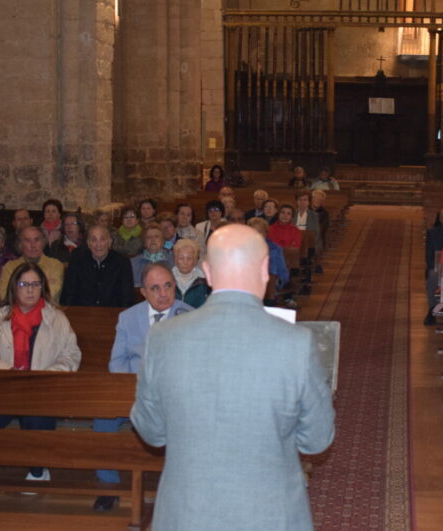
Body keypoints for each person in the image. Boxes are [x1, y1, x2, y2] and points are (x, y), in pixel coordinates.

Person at [131, 224, 335, 531]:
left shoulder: (163, 337)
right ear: (265, 269)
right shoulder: (296, 343)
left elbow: (152, 432)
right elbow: (317, 439)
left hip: (186, 515)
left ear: (207, 272)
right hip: (269, 517)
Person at [0, 263, 81, 483]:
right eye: (23, 284)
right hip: (5, 385)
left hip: (42, 388)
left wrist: (46, 375)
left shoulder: (57, 319)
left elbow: (71, 355)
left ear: (42, 287)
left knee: (36, 413)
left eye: (35, 284)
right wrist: (8, 373)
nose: (30, 290)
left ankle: (38, 471)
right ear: (14, 287)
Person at [92, 262, 194, 510]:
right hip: (133, 392)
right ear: (144, 292)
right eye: (155, 288)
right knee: (103, 418)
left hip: (174, 396)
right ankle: (108, 486)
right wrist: (130, 389)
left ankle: (182, 487)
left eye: (168, 286)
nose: (163, 294)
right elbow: (117, 361)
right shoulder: (128, 318)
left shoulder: (190, 316)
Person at [62, 225, 134, 308]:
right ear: (88, 243)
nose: (98, 244)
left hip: (112, 313)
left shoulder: (122, 262)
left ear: (110, 242)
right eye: (94, 240)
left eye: (102, 239)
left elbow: (127, 297)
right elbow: (68, 294)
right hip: (83, 312)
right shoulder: (77, 261)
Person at [0, 226, 65, 304]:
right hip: (17, 311)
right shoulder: (10, 267)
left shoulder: (55, 265)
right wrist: (42, 284)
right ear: (20, 244)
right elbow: (5, 296)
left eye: (37, 240)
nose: (33, 245)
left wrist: (20, 288)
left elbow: (51, 293)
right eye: (27, 240)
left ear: (43, 242)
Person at [248, 217, 290, 295]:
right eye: (253, 231)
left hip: (269, 286)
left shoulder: (275, 249)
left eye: (260, 231)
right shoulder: (243, 249)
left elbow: (283, 274)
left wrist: (276, 282)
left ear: (266, 233)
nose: (257, 235)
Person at [172, 238, 210, 308]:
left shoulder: (204, 283)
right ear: (175, 260)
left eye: (189, 258)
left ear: (195, 261)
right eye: (181, 258)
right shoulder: (168, 280)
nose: (185, 262)